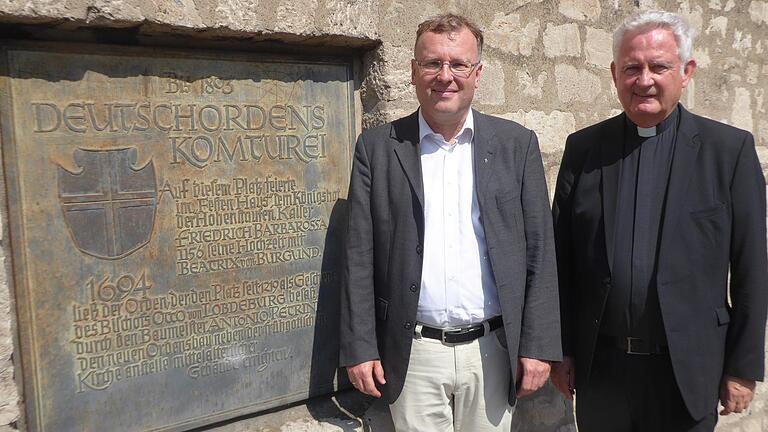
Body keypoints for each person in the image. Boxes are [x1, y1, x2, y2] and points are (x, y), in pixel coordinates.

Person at [339, 13, 561, 431]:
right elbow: (358, 255)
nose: (445, 76)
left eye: (458, 64)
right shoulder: (377, 150)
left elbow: (540, 252)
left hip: (493, 351)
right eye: (432, 63)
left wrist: (539, 345)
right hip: (412, 351)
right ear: (413, 71)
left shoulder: (518, 146)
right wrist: (359, 346)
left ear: (477, 74)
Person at [551, 9, 767, 432]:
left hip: (687, 371)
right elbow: (561, 262)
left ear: (686, 72)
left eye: (659, 66)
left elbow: (751, 268)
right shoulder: (584, 149)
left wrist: (743, 367)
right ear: (615, 74)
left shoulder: (729, 152)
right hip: (603, 373)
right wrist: (562, 350)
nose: (644, 79)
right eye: (632, 67)